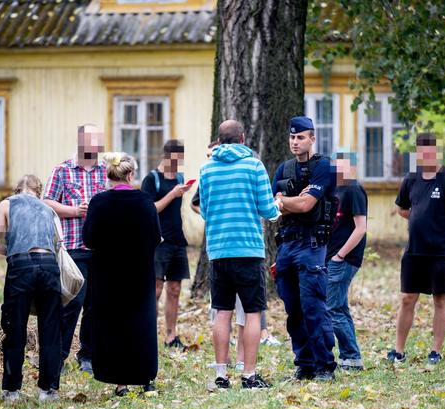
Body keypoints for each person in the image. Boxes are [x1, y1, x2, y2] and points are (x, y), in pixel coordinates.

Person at [199, 119, 281, 390]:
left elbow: (206, 211)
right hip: (248, 250)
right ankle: (249, 375)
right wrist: (277, 205)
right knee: (253, 312)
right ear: (243, 138)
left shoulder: (207, 170)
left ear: (219, 141)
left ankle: (221, 376)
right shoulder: (254, 166)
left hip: (219, 250)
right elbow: (268, 210)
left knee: (222, 312)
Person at [388, 133, 445, 365]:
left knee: (440, 298)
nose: (425, 155)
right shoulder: (411, 179)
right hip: (414, 250)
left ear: (437, 152)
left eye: (430, 151)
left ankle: (435, 352)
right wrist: (419, 219)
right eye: (421, 151)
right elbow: (402, 209)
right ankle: (399, 351)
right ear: (417, 153)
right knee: (407, 298)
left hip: (441, 250)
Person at [83, 152, 161, 396]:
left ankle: (120, 383)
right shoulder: (145, 202)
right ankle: (146, 377)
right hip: (139, 272)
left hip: (107, 275)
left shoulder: (98, 202)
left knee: (113, 326)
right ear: (131, 174)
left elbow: (89, 239)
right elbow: (155, 237)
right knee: (142, 324)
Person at [273, 116, 337, 382]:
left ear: (312, 138)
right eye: (292, 137)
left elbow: (306, 206)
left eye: (300, 137)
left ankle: (324, 365)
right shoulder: (283, 169)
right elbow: (271, 207)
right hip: (287, 245)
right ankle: (305, 364)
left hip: (312, 246)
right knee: (293, 309)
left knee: (313, 307)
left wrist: (285, 201)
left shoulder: (324, 167)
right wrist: (289, 202)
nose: (295, 142)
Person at [0, 175, 62, 402]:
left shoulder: (7, 204)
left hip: (21, 265)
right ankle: (47, 390)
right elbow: (58, 243)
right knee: (50, 329)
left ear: (17, 189)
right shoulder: (49, 209)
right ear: (38, 191)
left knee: (15, 328)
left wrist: (10, 249)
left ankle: (12, 390)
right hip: (49, 265)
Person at [43, 124, 107, 375]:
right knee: (73, 302)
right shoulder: (62, 170)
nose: (96, 146)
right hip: (73, 246)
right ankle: (58, 355)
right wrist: (72, 211)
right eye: (92, 140)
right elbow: (46, 201)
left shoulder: (105, 171)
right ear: (81, 141)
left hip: (100, 248)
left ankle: (88, 355)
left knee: (95, 304)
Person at [141, 140, 192, 348]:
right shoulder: (151, 179)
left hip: (177, 241)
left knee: (175, 289)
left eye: (179, 160)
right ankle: (148, 333)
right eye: (174, 159)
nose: (177, 163)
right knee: (156, 288)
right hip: (158, 242)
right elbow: (149, 209)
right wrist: (172, 194)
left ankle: (171, 336)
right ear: (166, 156)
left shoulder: (179, 178)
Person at [326, 151, 367, 371]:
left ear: (352, 167)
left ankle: (351, 355)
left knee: (332, 307)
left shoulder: (353, 189)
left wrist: (340, 255)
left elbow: (361, 228)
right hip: (331, 257)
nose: (339, 168)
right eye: (335, 164)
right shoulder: (334, 190)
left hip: (344, 259)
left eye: (343, 164)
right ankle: (351, 357)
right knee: (339, 307)